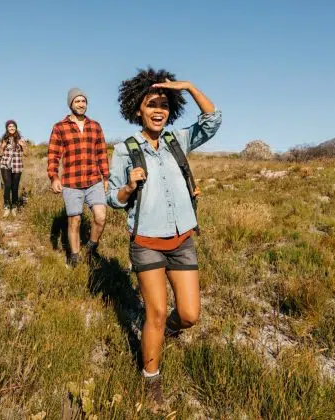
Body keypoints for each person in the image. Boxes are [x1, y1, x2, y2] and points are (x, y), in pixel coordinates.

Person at [107, 68, 222, 409]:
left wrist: (187, 86)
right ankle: (150, 381)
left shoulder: (177, 141)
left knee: (188, 315)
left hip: (182, 239)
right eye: (150, 104)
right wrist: (128, 187)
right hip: (145, 242)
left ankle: (168, 334)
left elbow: (212, 120)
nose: (158, 110)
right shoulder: (125, 150)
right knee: (155, 313)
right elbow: (114, 197)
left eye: (163, 104)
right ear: (137, 110)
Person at [47, 88, 110, 267]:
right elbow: (53, 155)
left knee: (100, 217)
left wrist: (106, 177)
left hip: (94, 181)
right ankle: (74, 257)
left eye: (83, 101)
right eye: (77, 101)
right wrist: (54, 177)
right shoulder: (60, 127)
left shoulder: (95, 126)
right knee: (74, 220)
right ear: (71, 104)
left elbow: (102, 153)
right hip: (71, 182)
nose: (81, 104)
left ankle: (91, 246)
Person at [0, 120, 27, 217]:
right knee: (7, 186)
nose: (11, 128)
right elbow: (0, 154)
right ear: (7, 128)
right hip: (5, 165)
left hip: (17, 165)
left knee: (15, 187)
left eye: (13, 126)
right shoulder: (4, 138)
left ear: (16, 127)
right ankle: (6, 206)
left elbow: (26, 154)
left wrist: (23, 146)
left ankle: (14, 206)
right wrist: (2, 146)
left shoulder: (21, 138)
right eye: (9, 126)